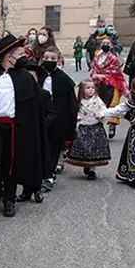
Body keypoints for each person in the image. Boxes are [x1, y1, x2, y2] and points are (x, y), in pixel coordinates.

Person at [0, 34, 49, 218]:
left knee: (11, 164)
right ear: (8, 56)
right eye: (19, 53)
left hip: (15, 127)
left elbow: (33, 106)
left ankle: (9, 198)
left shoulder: (25, 77)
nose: (23, 56)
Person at [36, 46, 77, 190]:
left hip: (58, 118)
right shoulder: (37, 76)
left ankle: (49, 174)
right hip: (41, 115)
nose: (49, 61)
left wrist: (71, 126)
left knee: (53, 147)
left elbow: (71, 104)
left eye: (53, 59)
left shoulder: (64, 80)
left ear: (58, 60)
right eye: (46, 58)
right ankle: (40, 173)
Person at [64, 80, 110, 179]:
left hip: (95, 127)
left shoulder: (97, 101)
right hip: (83, 127)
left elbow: (104, 110)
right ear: (82, 90)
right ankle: (86, 164)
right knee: (85, 148)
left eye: (93, 88)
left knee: (94, 149)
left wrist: (101, 115)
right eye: (88, 88)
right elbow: (75, 114)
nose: (91, 90)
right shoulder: (79, 103)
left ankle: (92, 170)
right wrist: (77, 121)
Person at [89, 36, 128, 139]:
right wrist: (96, 76)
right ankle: (97, 126)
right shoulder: (96, 57)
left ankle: (111, 126)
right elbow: (93, 70)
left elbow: (117, 73)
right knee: (97, 105)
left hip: (111, 84)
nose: (105, 45)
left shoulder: (114, 59)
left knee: (112, 105)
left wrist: (106, 77)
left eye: (108, 43)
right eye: (104, 43)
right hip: (98, 84)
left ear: (111, 46)